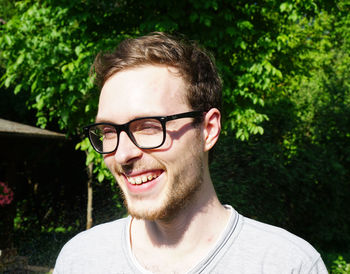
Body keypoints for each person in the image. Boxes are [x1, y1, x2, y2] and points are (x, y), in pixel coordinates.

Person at [54, 32, 327, 273]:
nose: (123, 155)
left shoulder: (288, 264)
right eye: (109, 132)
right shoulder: (80, 260)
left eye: (148, 127)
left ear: (208, 129)